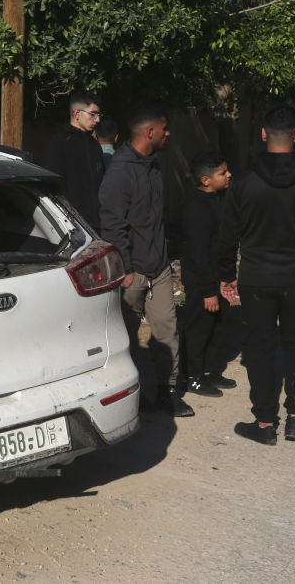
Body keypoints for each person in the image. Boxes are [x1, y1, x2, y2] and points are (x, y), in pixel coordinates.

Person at [219, 104, 295, 445]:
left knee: (260, 348)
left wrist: (226, 274)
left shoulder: (243, 181)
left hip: (257, 278)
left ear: (263, 134)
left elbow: (228, 234)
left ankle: (265, 423)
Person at [99, 103, 193, 417]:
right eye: (164, 129)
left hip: (159, 267)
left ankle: (166, 393)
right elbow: (113, 225)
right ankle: (131, 398)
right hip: (132, 272)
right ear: (149, 132)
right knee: (125, 338)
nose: (168, 134)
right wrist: (125, 270)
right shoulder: (120, 170)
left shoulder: (154, 165)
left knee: (167, 330)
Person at [180, 151, 235, 398]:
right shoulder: (197, 209)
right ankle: (192, 377)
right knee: (198, 329)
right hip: (201, 282)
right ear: (205, 180)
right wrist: (208, 291)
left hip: (216, 278)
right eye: (222, 173)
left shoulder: (217, 200)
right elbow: (199, 254)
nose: (228, 175)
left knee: (217, 327)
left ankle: (210, 371)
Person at [44, 91, 105, 230]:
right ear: (77, 114)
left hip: (98, 225)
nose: (97, 120)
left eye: (99, 115)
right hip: (71, 226)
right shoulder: (59, 143)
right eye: (93, 114)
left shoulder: (94, 144)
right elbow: (54, 187)